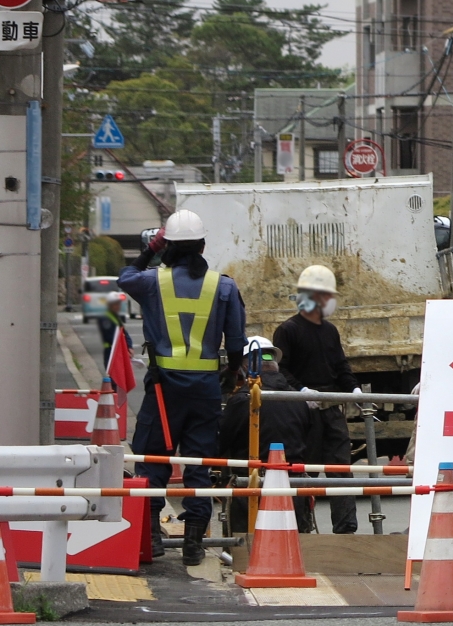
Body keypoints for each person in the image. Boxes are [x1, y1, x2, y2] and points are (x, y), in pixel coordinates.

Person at [118, 208, 248, 566]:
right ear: (203, 245)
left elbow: (125, 277)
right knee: (198, 464)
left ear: (168, 248)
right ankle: (193, 543)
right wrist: (229, 373)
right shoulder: (222, 285)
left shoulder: (151, 282)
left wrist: (150, 250)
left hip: (164, 389)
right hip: (205, 390)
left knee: (153, 461)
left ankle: (153, 539)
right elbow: (236, 343)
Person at [273, 264, 360, 535]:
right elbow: (281, 368)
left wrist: (355, 389)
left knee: (340, 469)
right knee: (302, 472)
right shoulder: (287, 330)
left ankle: (345, 529)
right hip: (303, 413)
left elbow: (340, 365)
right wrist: (301, 391)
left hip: (332, 410)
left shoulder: (329, 331)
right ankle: (301, 530)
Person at [217, 337, 320, 535]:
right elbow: (311, 444)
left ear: (246, 366)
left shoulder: (243, 400)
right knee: (292, 548)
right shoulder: (299, 401)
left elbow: (221, 443)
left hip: (251, 486)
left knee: (248, 550)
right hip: (294, 486)